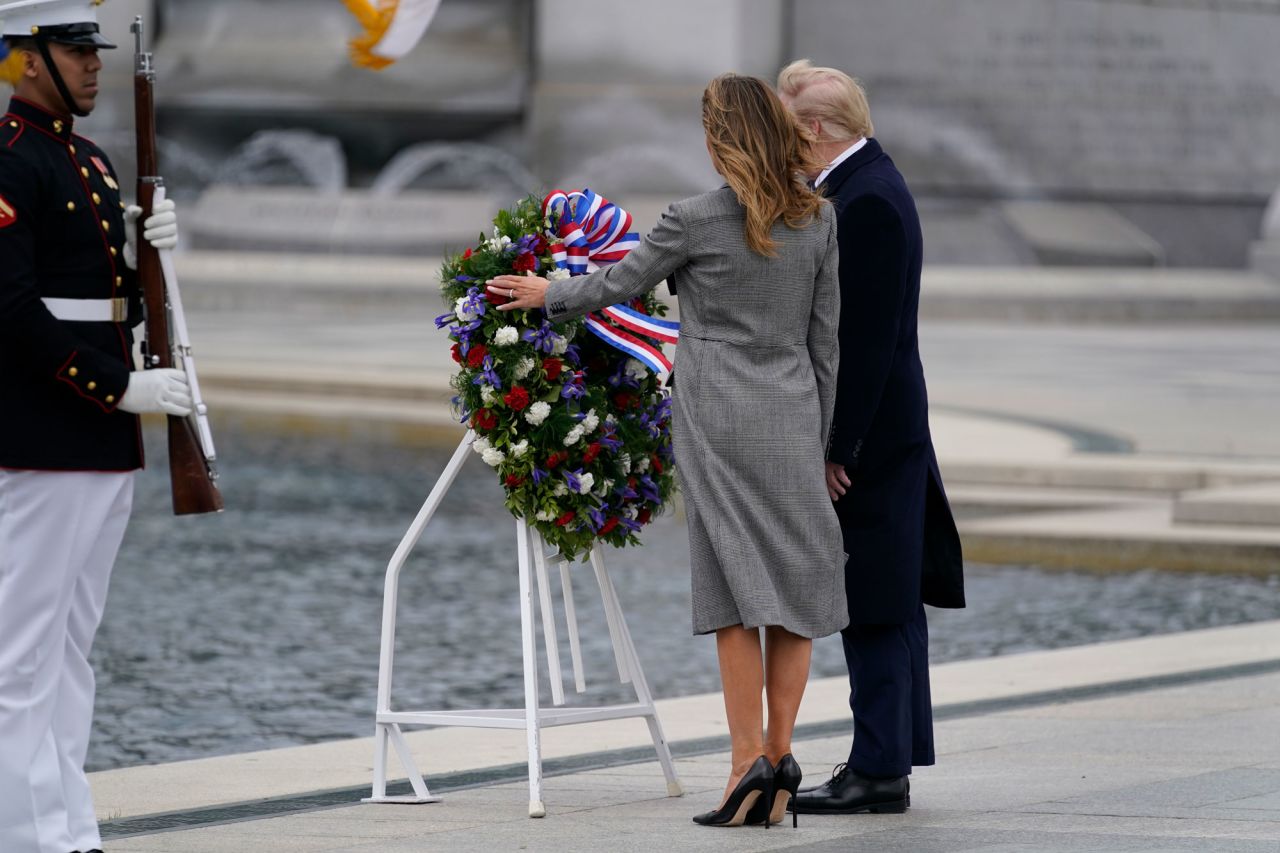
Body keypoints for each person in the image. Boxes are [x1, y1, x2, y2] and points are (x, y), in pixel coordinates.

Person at [489, 74, 845, 828]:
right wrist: (816, 441)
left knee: (729, 591)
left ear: (719, 138)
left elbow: (615, 285)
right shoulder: (818, 219)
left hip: (716, 417)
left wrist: (543, 292)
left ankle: (744, 758)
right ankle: (781, 759)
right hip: (790, 413)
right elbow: (826, 346)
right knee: (794, 594)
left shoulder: (695, 219)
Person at [0, 3, 191, 851]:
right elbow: (10, 312)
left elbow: (117, 296)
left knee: (71, 651)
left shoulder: (90, 160)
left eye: (93, 50)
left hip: (103, 440)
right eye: (75, 51)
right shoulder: (9, 163)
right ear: (25, 59)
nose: (93, 64)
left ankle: (67, 827)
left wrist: (150, 250)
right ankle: (24, 832)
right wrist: (117, 389)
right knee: (21, 656)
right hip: (45, 430)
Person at [776, 59, 966, 817]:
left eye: (790, 134)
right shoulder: (863, 184)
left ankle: (878, 768)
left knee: (875, 600)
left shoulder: (868, 202)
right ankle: (887, 758)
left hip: (875, 438)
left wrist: (837, 449)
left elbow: (869, 341)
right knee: (889, 596)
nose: (785, 150)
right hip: (887, 430)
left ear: (816, 130)